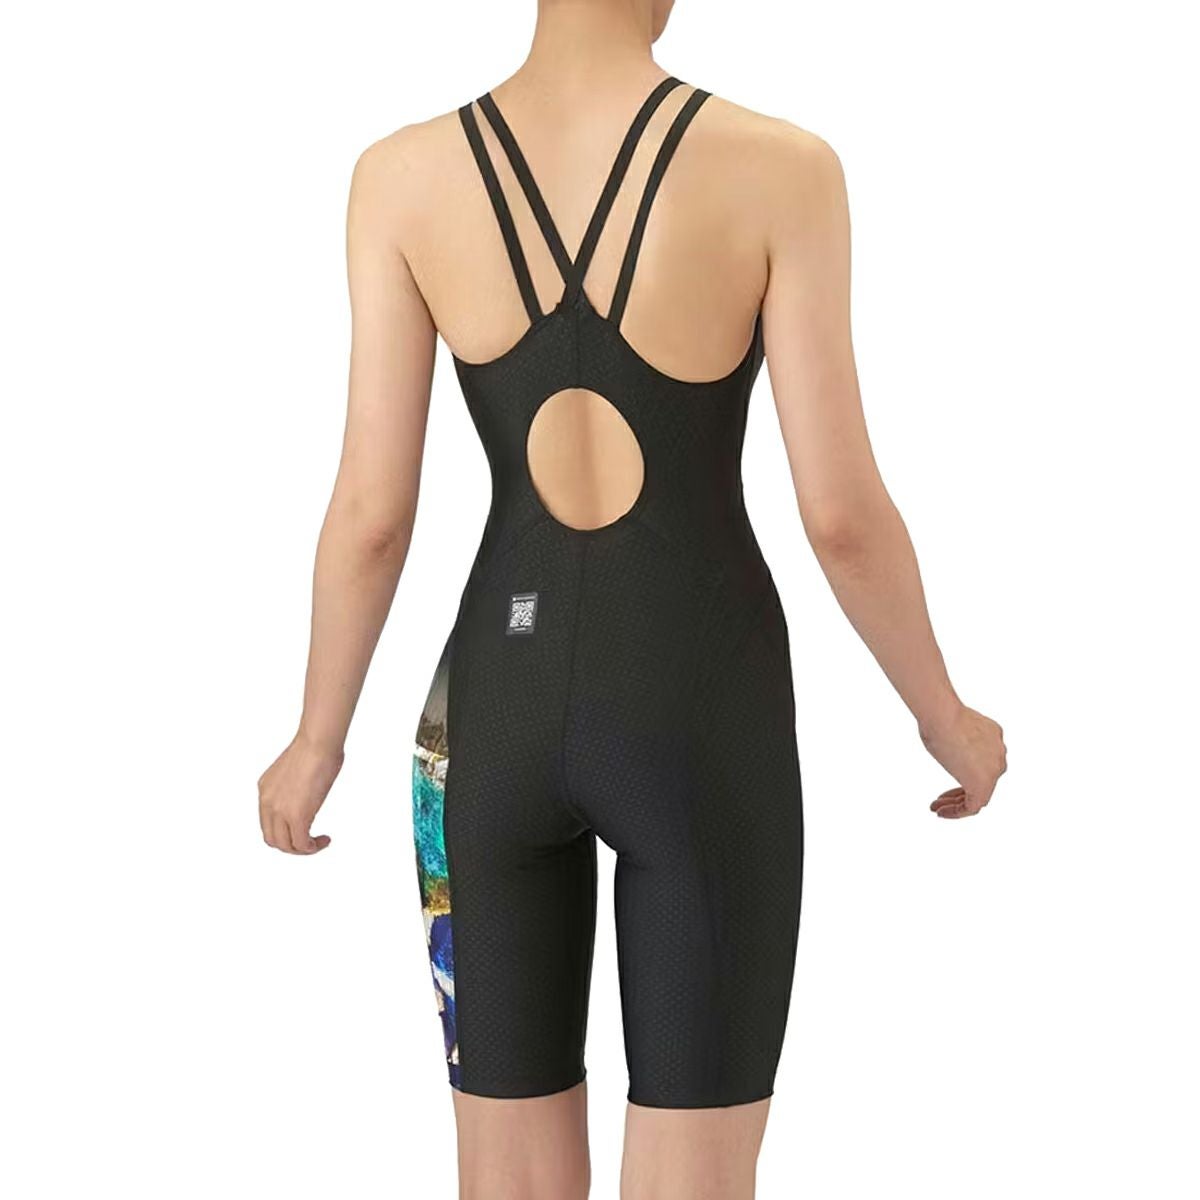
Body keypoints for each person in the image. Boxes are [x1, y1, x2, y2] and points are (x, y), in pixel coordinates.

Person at [257, 1, 1007, 1196]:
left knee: (504, 1177)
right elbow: (843, 519)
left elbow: (370, 516)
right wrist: (945, 717)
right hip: (702, 710)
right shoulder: (783, 170)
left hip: (482, 722)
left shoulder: (398, 179)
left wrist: (315, 739)